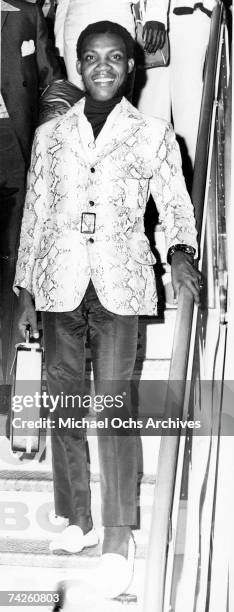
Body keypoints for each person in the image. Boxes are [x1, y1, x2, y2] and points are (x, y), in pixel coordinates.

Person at [14, 21, 201, 598]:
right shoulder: (50, 136)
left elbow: (173, 203)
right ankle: (77, 518)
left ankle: (119, 538)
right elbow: (36, 214)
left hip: (120, 286)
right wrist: (24, 290)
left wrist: (179, 254)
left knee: (114, 408)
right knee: (64, 404)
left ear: (131, 67)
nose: (102, 66)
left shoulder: (152, 133)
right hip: (58, 282)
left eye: (114, 57)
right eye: (91, 57)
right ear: (76, 63)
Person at [0, 0, 62, 383]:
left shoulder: (24, 12)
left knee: (14, 270)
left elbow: (53, 79)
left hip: (12, 146)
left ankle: (7, 383)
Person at [137, 0, 216, 169]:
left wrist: (156, 13)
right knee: (151, 112)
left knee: (187, 108)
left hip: (183, 15)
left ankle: (192, 182)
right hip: (154, 17)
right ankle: (157, 185)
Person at [54, 0, 168, 88]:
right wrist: (59, 44)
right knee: (79, 97)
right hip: (76, 20)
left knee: (118, 95)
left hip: (118, 13)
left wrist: (156, 14)